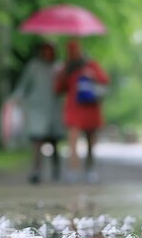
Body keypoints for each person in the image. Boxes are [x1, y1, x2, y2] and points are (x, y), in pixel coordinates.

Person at [55, 39, 109, 183]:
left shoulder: (91, 64)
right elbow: (58, 89)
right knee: (72, 140)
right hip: (74, 108)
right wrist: (62, 74)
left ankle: (90, 168)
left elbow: (105, 80)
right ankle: (74, 170)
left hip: (91, 108)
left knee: (91, 141)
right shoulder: (67, 68)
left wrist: (93, 75)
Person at [13, 42, 65, 184]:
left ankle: (56, 170)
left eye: (51, 50)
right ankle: (36, 170)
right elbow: (23, 86)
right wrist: (16, 98)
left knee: (54, 142)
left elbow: (65, 87)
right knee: (37, 140)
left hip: (54, 109)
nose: (48, 53)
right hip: (37, 109)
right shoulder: (34, 66)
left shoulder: (59, 67)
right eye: (45, 50)